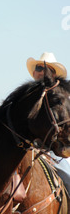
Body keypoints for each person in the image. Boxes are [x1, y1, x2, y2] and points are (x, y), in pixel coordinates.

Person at [26, 52, 70, 193]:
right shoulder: (25, 95)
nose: (42, 72)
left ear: (53, 76)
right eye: (39, 68)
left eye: (47, 70)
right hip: (24, 148)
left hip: (52, 150)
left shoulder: (60, 99)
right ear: (34, 73)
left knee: (68, 180)